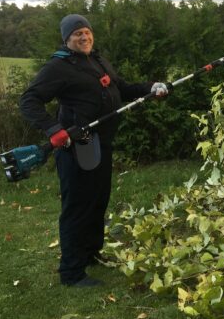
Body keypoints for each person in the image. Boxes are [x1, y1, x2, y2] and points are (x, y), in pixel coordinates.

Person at [19, 14, 168, 288]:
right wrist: (54, 129)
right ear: (67, 39)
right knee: (78, 207)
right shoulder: (58, 67)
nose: (84, 37)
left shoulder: (97, 60)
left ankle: (90, 253)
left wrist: (151, 88)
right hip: (76, 148)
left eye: (87, 32)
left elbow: (121, 88)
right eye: (78, 34)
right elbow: (29, 101)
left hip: (101, 144)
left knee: (98, 201)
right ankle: (72, 272)